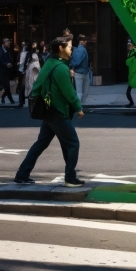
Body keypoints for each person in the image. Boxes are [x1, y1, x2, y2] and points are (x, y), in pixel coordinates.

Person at [14, 34, 85, 187]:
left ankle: (22, 174)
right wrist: (78, 107)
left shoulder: (50, 62)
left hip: (48, 110)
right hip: (57, 112)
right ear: (61, 48)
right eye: (69, 47)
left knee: (42, 143)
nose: (71, 49)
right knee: (73, 143)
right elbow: (69, 92)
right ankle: (70, 178)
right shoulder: (60, 68)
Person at [70, 34, 91, 105]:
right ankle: (80, 105)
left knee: (80, 91)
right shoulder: (81, 49)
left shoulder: (78, 49)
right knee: (83, 91)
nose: (86, 42)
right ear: (83, 41)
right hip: (82, 72)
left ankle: (80, 105)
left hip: (80, 72)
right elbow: (77, 61)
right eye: (85, 41)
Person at [17, 42, 28, 107]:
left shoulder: (28, 53)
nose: (23, 45)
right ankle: (21, 102)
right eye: (22, 44)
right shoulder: (21, 52)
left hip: (27, 71)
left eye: (24, 44)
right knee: (21, 87)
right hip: (22, 71)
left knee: (24, 87)